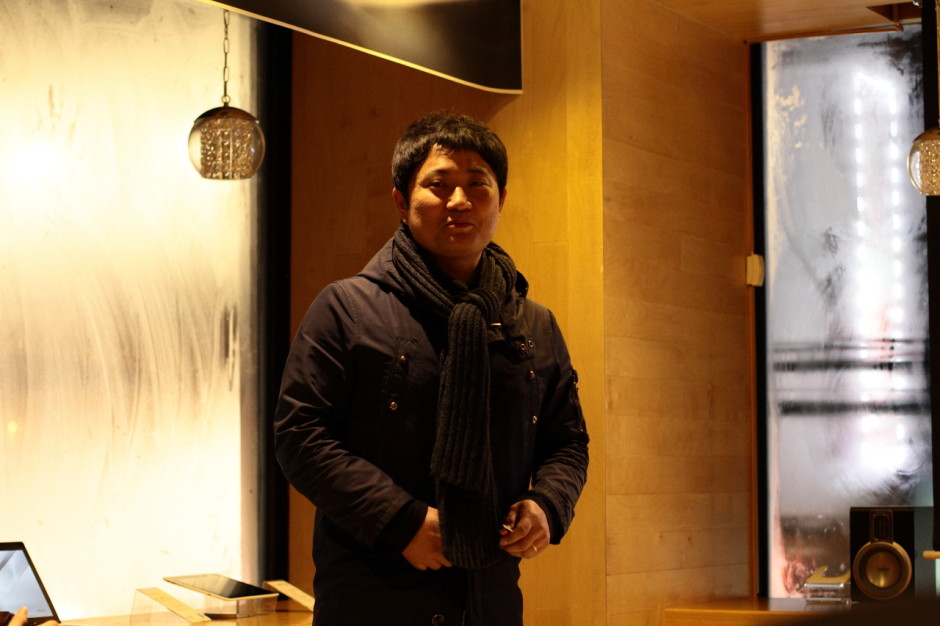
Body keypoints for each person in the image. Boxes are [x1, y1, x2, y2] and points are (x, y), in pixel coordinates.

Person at [274, 111, 589, 625]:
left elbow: (567, 442)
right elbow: (301, 437)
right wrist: (400, 521)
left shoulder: (533, 323)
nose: (460, 201)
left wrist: (546, 506)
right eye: (439, 185)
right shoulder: (347, 308)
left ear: (501, 199)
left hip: (489, 599)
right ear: (402, 201)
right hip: (371, 598)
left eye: (477, 184)